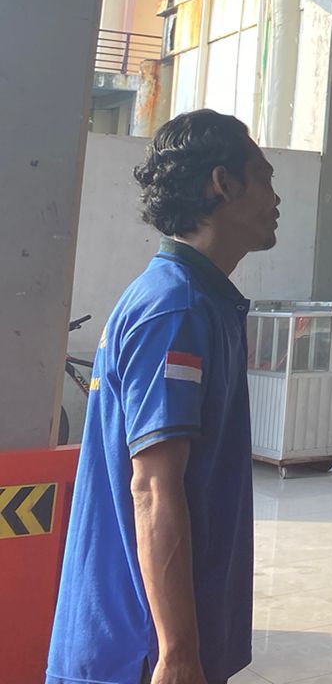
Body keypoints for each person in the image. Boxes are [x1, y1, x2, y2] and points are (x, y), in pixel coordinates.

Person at [48, 110, 278, 684]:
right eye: (264, 178)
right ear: (222, 183)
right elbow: (152, 488)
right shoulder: (176, 309)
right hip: (139, 651)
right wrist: (177, 654)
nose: (276, 198)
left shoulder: (200, 300)